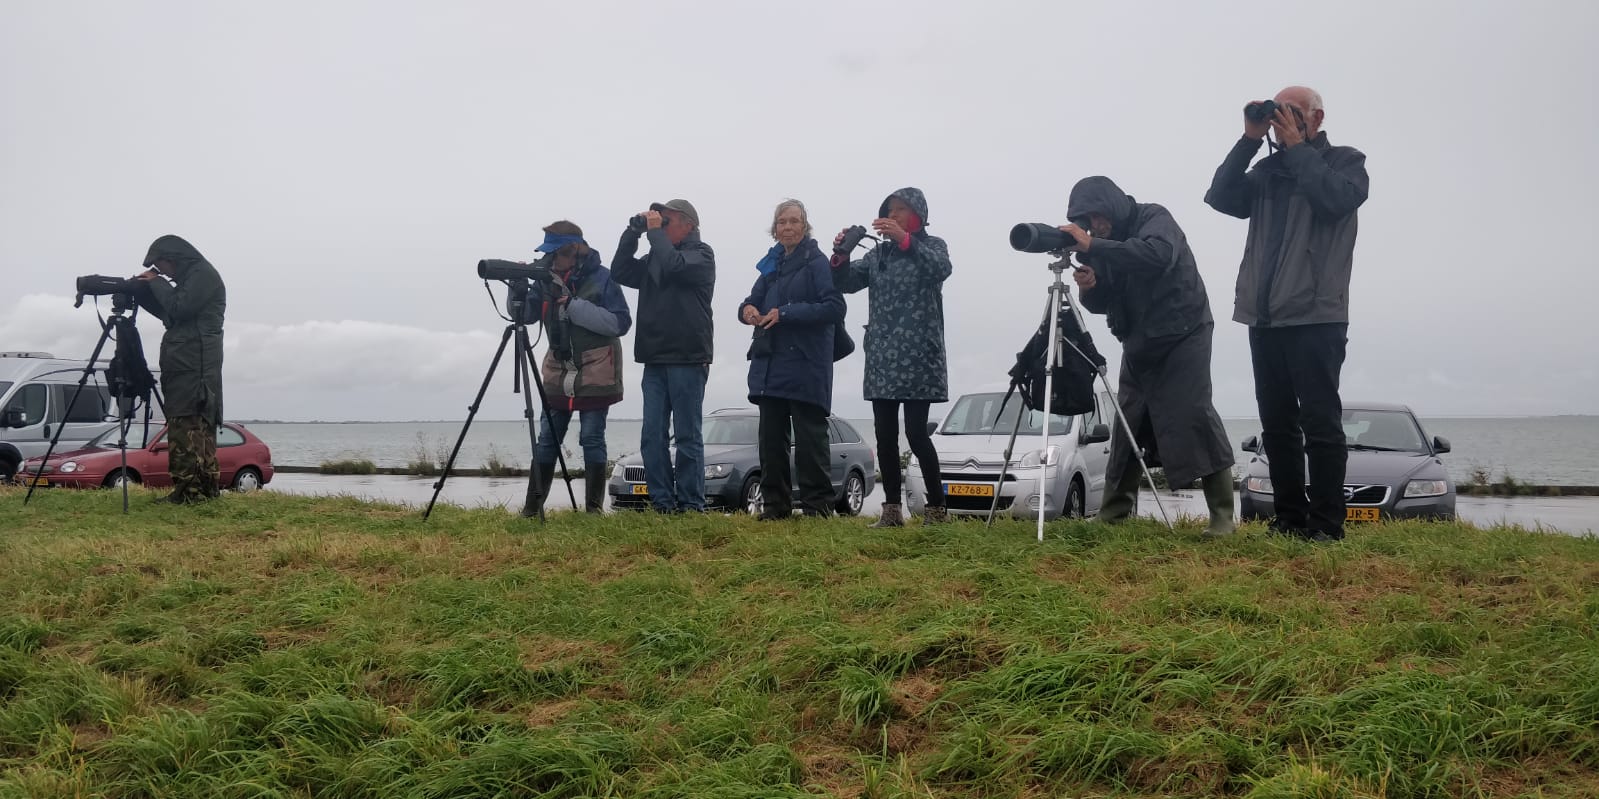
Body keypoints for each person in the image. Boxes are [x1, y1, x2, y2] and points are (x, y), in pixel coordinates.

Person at [1204, 85, 1369, 542]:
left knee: (1320, 423)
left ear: (1317, 118)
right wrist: (1249, 139)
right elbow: (1219, 196)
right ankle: (1289, 519)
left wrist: (1297, 148)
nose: (1282, 120)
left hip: (1317, 314)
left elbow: (1335, 200)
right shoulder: (1266, 171)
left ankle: (1327, 524)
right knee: (1277, 424)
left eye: (1292, 112)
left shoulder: (1345, 162)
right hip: (1265, 315)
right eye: (1277, 113)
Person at [1063, 176, 1236, 536]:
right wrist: (1090, 288)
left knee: (1194, 412)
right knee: (1129, 419)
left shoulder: (1154, 218)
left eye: (1097, 216)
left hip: (1184, 332)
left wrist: (1094, 244)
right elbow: (1104, 301)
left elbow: (1157, 255)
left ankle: (1222, 517)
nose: (1094, 224)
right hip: (1139, 340)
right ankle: (1114, 513)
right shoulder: (1101, 246)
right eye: (1087, 220)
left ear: (1111, 206)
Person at [830, 187, 951, 526]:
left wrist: (904, 240)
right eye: (889, 210)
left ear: (918, 214)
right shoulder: (878, 254)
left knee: (916, 433)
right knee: (884, 435)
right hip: (882, 356)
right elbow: (845, 283)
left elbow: (941, 269)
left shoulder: (933, 246)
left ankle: (937, 510)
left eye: (900, 209)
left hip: (919, 356)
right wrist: (840, 254)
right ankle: (892, 511)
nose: (893, 215)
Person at [739, 200, 846, 519]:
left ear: (805, 226)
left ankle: (818, 509)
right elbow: (751, 301)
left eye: (794, 221)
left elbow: (834, 307)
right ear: (775, 229)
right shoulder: (771, 265)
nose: (787, 227)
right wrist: (747, 311)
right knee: (770, 442)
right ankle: (775, 508)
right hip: (769, 364)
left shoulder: (817, 261)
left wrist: (785, 313)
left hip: (806, 363)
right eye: (782, 222)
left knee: (811, 441)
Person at [610, 199, 716, 513]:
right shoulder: (655, 257)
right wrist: (632, 232)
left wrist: (655, 234)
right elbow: (620, 271)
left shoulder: (702, 255)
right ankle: (662, 503)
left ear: (688, 224)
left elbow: (675, 266)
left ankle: (691, 505)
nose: (661, 225)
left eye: (667, 220)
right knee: (652, 435)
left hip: (687, 356)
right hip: (654, 357)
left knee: (687, 435)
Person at [522, 220, 632, 517]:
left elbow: (620, 323)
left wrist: (573, 306)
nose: (551, 260)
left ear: (575, 251)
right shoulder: (544, 278)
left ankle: (593, 511)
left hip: (597, 369)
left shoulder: (603, 278)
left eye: (555, 253)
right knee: (547, 440)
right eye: (548, 254)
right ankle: (531, 510)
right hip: (559, 369)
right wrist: (518, 289)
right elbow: (526, 316)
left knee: (592, 438)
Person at [133, 235, 226, 504]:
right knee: (188, 424)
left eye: (161, 266)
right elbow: (170, 315)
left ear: (173, 258)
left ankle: (190, 492)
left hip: (194, 366)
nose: (162, 272)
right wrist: (143, 292)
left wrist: (156, 283)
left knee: (187, 424)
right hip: (187, 362)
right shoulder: (191, 279)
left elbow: (179, 308)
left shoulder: (202, 275)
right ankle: (200, 491)